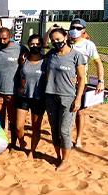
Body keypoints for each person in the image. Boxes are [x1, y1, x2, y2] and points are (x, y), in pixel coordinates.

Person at [45, 28, 86, 171]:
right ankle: (58, 156)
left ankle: (66, 160)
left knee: (64, 130)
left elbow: (81, 79)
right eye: (53, 40)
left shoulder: (76, 55)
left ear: (65, 37)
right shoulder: (51, 54)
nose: (56, 42)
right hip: (50, 95)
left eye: (58, 39)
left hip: (68, 96)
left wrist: (78, 98)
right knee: (54, 129)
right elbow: (41, 54)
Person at [66, 19, 104, 148]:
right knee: (64, 110)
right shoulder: (64, 42)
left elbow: (98, 62)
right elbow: (45, 44)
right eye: (73, 27)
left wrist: (101, 81)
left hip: (80, 83)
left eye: (78, 28)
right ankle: (64, 135)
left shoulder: (88, 45)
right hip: (64, 82)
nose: (75, 30)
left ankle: (79, 138)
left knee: (80, 111)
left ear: (84, 30)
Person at [0, 27, 27, 147]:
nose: (1, 41)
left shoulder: (20, 48)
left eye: (4, 39)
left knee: (13, 121)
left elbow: (31, 60)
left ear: (10, 37)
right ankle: (1, 143)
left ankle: (13, 144)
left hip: (13, 92)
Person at [15, 35, 46, 159]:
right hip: (23, 95)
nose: (35, 46)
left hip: (39, 97)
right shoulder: (23, 59)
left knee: (36, 126)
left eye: (38, 44)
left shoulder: (46, 60)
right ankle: (22, 142)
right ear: (28, 44)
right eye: (32, 44)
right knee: (18, 125)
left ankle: (32, 151)